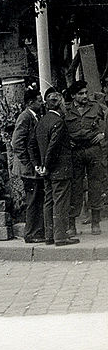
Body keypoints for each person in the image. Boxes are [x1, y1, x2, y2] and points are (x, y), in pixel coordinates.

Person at [29, 90, 79, 246]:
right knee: (61, 203)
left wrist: (38, 165)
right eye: (64, 103)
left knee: (49, 202)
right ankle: (61, 237)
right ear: (60, 104)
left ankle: (50, 235)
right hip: (59, 170)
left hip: (47, 171)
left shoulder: (41, 121)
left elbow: (31, 145)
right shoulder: (59, 122)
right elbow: (54, 147)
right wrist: (46, 165)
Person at [63, 80, 106, 235]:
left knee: (96, 185)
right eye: (80, 93)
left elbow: (106, 121)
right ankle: (71, 224)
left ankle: (95, 222)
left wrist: (103, 134)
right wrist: (66, 141)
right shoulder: (66, 110)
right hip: (76, 152)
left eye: (85, 93)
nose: (84, 96)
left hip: (93, 150)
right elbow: (60, 129)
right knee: (75, 187)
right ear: (73, 95)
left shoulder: (96, 107)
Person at [12, 88, 45, 243]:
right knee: (32, 200)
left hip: (31, 167)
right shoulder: (25, 117)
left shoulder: (34, 116)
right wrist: (28, 163)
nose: (42, 103)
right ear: (30, 103)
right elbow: (17, 143)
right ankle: (30, 234)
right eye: (39, 101)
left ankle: (37, 231)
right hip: (28, 169)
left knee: (37, 198)